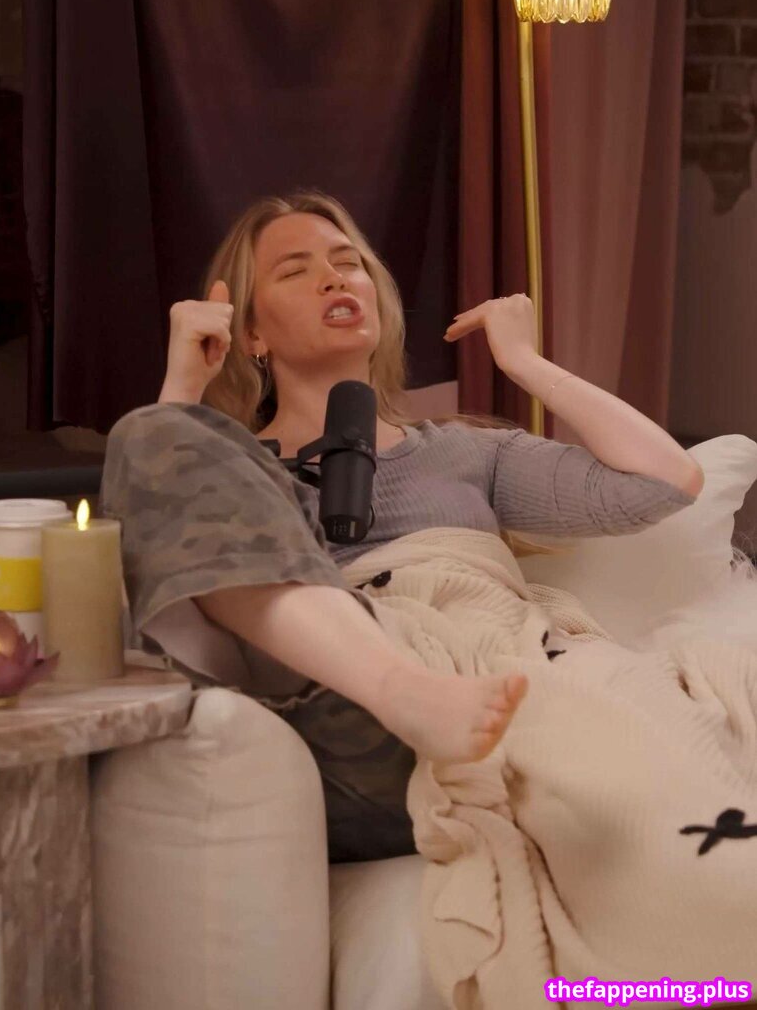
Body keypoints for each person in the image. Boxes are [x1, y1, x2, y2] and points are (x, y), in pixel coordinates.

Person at [106, 189, 702, 861]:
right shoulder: (232, 470)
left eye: (347, 262)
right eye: (295, 270)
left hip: (496, 690)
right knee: (147, 432)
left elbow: (665, 481)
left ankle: (436, 706)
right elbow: (145, 594)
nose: (332, 277)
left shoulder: (467, 451)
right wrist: (183, 389)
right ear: (251, 335)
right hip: (352, 731)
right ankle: (400, 690)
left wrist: (525, 362)